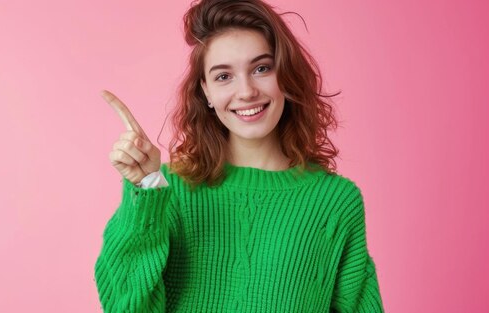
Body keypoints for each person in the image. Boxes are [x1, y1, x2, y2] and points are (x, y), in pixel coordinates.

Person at [95, 0, 384, 311]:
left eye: (261, 68)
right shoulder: (170, 191)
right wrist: (146, 187)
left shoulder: (335, 201)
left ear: (285, 75)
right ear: (205, 91)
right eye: (223, 76)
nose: (246, 91)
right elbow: (125, 305)